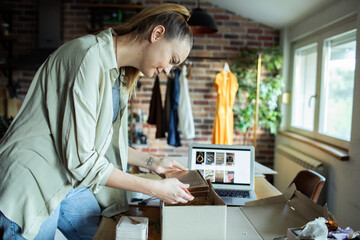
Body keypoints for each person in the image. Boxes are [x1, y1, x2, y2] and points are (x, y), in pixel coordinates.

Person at [0, 3, 194, 239]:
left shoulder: (119, 73)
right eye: (172, 59)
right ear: (157, 34)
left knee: (108, 233)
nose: (168, 71)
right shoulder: (87, 57)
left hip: (68, 180)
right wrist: (155, 188)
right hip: (33, 182)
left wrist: (153, 162)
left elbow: (104, 145)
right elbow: (82, 160)